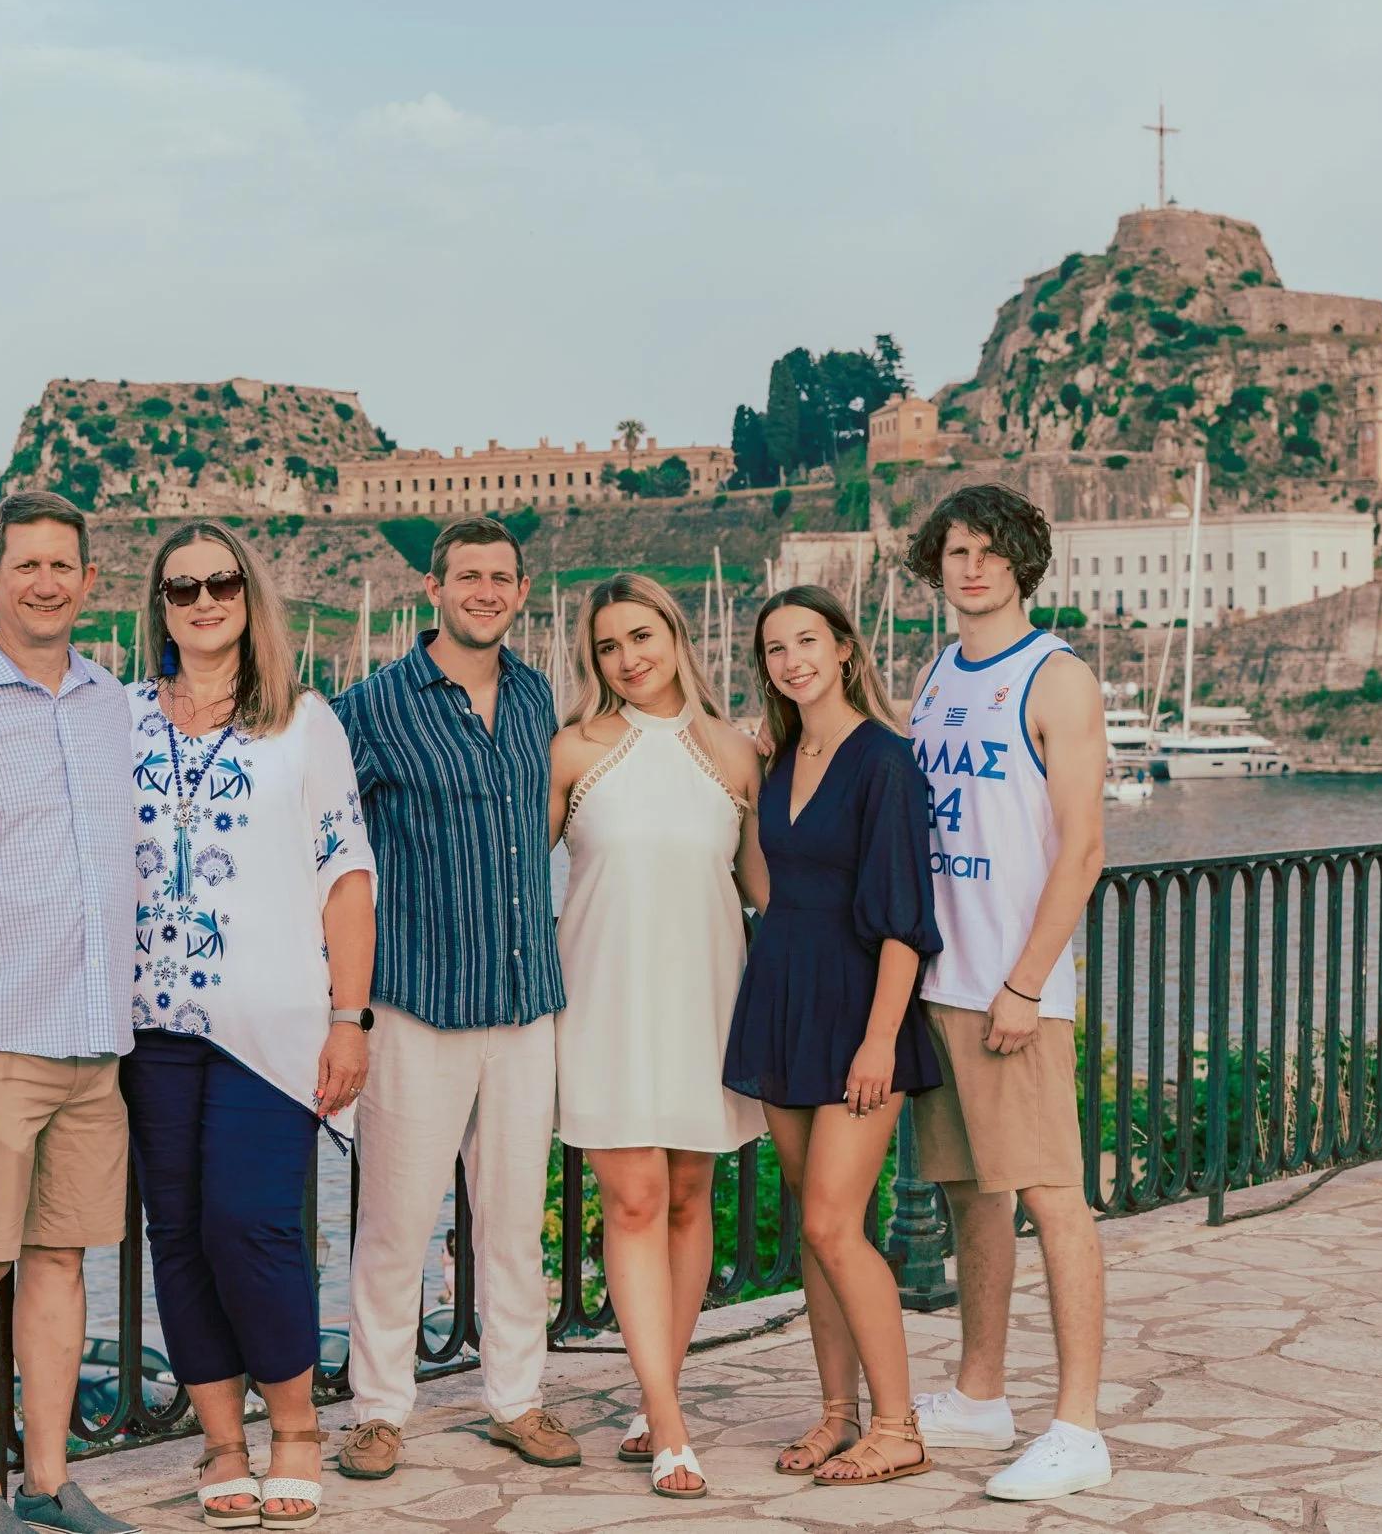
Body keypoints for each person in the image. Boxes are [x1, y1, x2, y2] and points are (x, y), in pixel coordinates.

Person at [120, 522, 377, 1530]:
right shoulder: (124, 718)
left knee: (252, 1224)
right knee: (176, 1231)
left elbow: (345, 873)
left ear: (247, 594)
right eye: (182, 586)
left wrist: (348, 1016)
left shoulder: (302, 720)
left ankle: (296, 1428)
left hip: (269, 1022)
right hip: (148, 1025)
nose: (203, 599)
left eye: (221, 581)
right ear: (162, 605)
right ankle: (221, 1440)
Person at [329, 516, 579, 1481]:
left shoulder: (532, 695)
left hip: (523, 1002)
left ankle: (517, 1399)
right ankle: (379, 1410)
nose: (485, 591)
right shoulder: (375, 705)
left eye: (502, 577)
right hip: (417, 1001)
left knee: (514, 1221)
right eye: (467, 576)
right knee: (395, 1222)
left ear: (521, 593)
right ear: (432, 587)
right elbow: (324, 833)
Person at [0, 491, 140, 1534]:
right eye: (27, 565)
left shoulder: (113, 701)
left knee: (62, 1261)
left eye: (64, 565)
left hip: (95, 1043)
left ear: (88, 578)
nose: (46, 582)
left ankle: (51, 1481)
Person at [902, 485, 1112, 1502]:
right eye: (954, 550)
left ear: (1021, 560)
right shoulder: (938, 669)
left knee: (1051, 1196)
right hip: (939, 981)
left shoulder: (1054, 676)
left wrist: (1027, 981)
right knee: (967, 1191)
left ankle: (1077, 1423)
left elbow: (1084, 847)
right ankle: (979, 1392)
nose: (969, 566)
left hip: (1012, 989)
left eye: (987, 550)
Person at [545, 572, 765, 1500]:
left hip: (707, 1002)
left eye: (641, 636)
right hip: (603, 1003)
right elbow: (519, 882)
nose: (628, 658)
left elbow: (760, 890)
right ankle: (669, 1424)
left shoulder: (736, 754)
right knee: (631, 1200)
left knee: (685, 1198)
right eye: (607, 646)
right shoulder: (572, 751)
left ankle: (654, 1391)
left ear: (676, 634)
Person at [723, 585, 941, 1489]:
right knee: (817, 1233)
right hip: (782, 998)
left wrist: (879, 1039)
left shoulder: (885, 761)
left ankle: (899, 1425)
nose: (792, 660)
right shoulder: (780, 757)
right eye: (775, 648)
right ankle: (836, 1415)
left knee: (832, 1221)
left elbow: (903, 921)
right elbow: (769, 881)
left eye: (807, 640)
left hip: (861, 1011)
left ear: (846, 647)